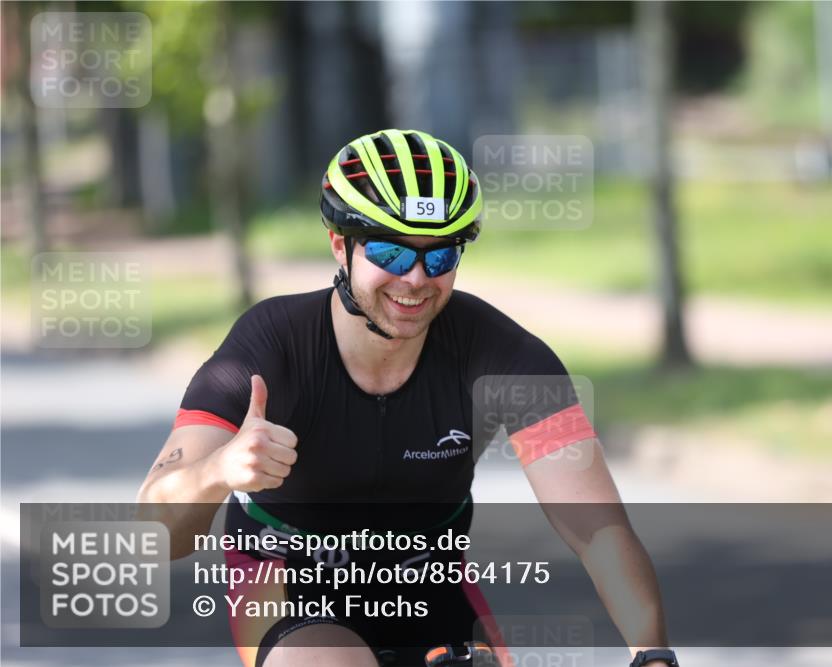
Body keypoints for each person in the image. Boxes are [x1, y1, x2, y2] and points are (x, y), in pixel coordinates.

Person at [137, 129, 678, 667]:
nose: (417, 279)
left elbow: (599, 531)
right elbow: (155, 529)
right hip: (287, 584)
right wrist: (218, 471)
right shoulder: (270, 345)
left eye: (440, 257)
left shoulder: (502, 355)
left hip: (429, 586)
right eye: (392, 253)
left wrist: (651, 652)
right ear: (340, 245)